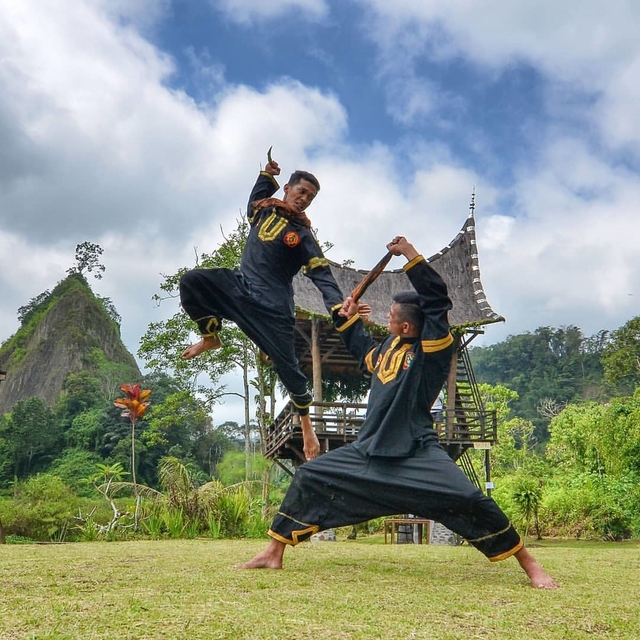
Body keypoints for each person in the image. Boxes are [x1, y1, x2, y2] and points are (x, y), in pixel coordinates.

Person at [239, 236, 557, 589]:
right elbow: (364, 352)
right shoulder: (391, 345)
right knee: (309, 475)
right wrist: (347, 321)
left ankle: (529, 563)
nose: (385, 317)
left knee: (470, 498)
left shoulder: (432, 350)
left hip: (416, 451)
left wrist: (409, 254)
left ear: (407, 326)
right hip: (369, 449)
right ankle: (274, 552)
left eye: (390, 316)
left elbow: (437, 300)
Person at [179, 152, 345, 461]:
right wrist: (266, 175)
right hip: (241, 288)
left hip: (274, 309)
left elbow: (322, 275)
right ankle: (210, 337)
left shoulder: (303, 235)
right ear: (288, 189)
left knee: (288, 366)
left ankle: (307, 427)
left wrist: (338, 307)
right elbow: (255, 198)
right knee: (192, 281)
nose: (305, 199)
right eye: (301, 192)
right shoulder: (263, 210)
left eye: (310, 197)